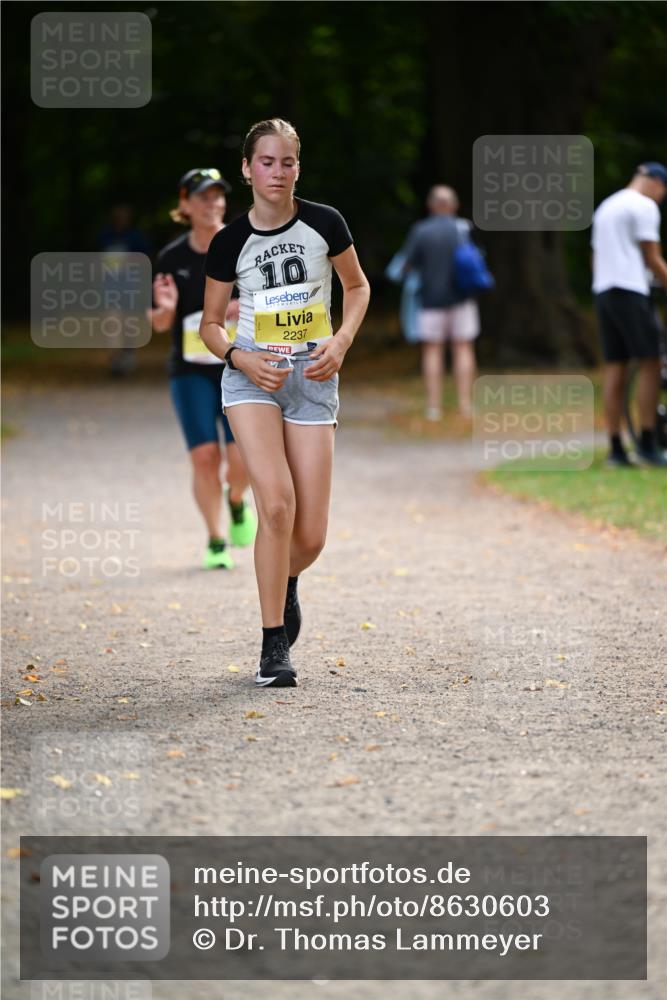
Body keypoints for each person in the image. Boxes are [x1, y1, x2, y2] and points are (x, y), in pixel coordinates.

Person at [200, 118, 370, 687]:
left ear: (299, 167)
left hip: (313, 374)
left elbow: (359, 286)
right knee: (276, 506)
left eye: (288, 162)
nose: (278, 172)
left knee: (311, 534)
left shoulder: (326, 223)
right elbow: (209, 326)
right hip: (253, 377)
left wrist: (340, 341)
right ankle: (274, 646)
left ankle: (286, 580)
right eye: (267, 162)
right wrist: (238, 358)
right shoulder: (229, 243)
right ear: (248, 168)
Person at [149, 168, 257, 568]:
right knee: (205, 458)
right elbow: (160, 323)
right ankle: (215, 539)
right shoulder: (171, 257)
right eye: (202, 196)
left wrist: (244, 306)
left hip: (239, 365)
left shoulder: (245, 244)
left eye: (217, 196)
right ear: (185, 205)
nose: (212, 203)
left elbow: (271, 300)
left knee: (242, 458)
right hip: (191, 369)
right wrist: (164, 310)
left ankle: (236, 498)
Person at [591, 161, 667, 467]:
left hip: (603, 291)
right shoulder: (644, 205)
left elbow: (595, 258)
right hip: (630, 290)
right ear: (656, 184)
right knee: (651, 362)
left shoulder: (606, 207)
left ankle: (615, 448)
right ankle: (648, 442)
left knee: (615, 367)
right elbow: (653, 257)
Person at [402, 186, 481, 420]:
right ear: (454, 206)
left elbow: (407, 266)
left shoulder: (421, 231)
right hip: (462, 299)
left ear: (431, 205)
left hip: (430, 301)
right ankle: (466, 405)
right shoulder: (464, 228)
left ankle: (434, 407)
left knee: (432, 350)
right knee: (463, 348)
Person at [97, 204, 151, 377]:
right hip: (110, 287)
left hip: (130, 287)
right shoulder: (105, 236)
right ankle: (115, 357)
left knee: (128, 322)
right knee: (112, 322)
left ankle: (128, 354)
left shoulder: (135, 237)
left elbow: (146, 258)